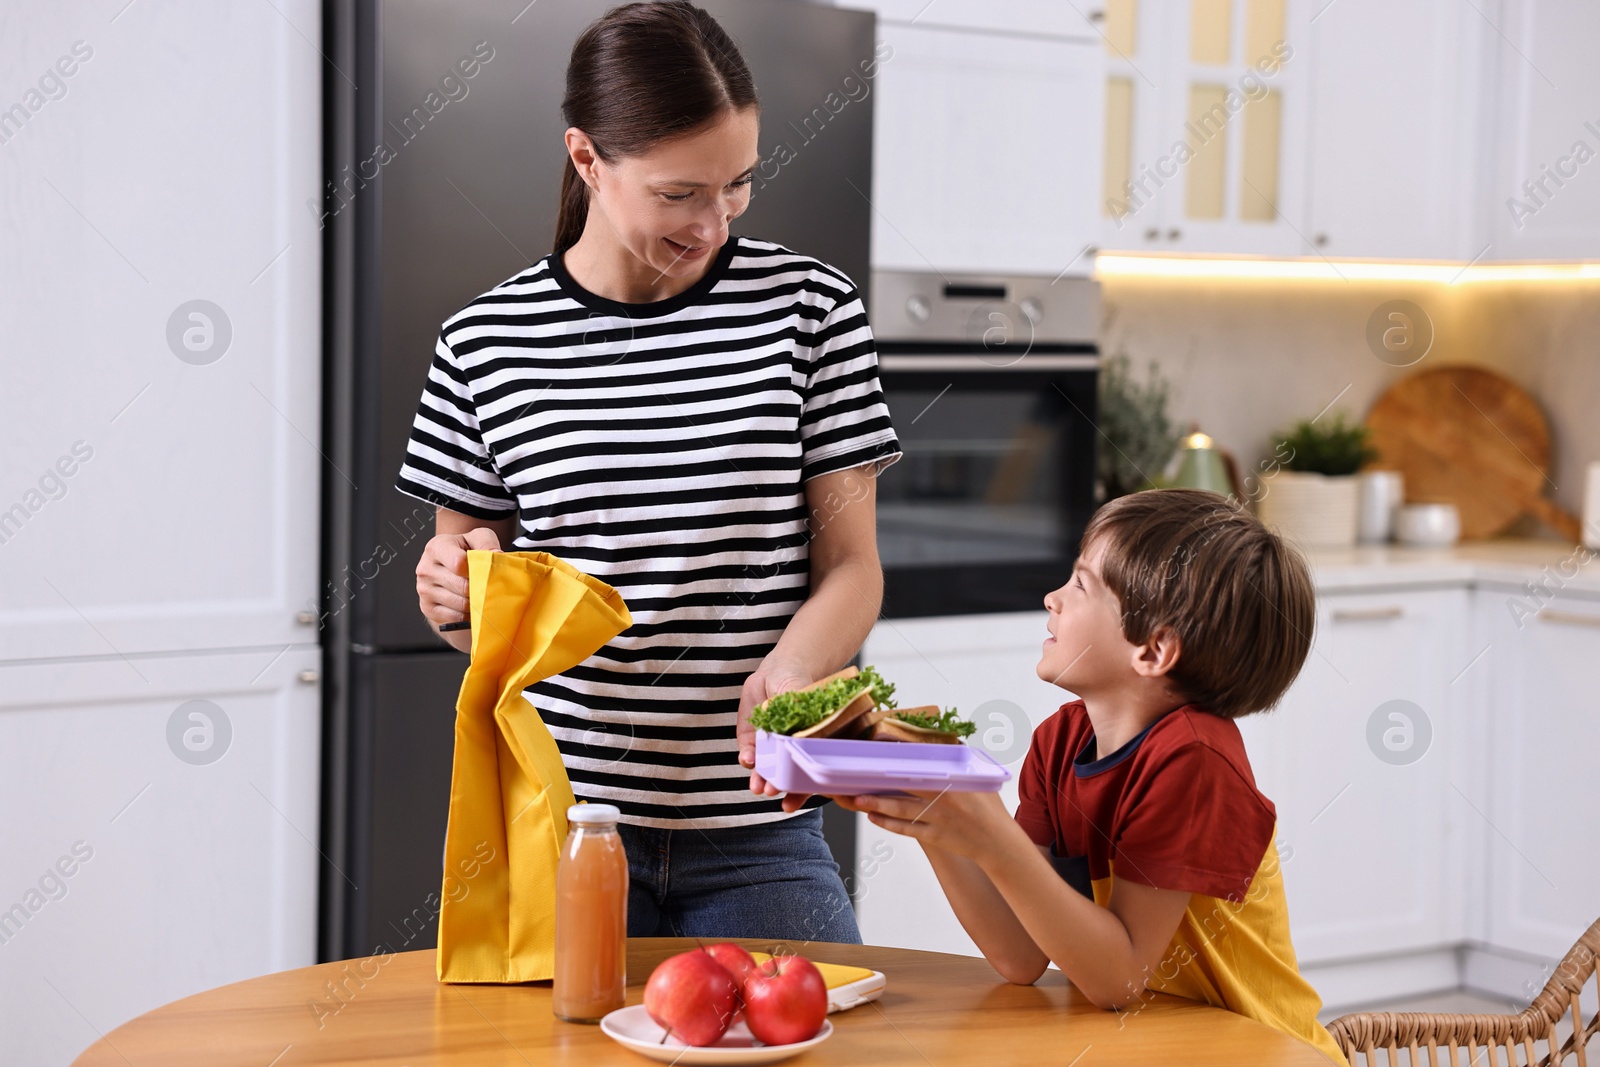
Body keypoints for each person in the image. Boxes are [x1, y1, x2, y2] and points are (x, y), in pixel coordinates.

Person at [397, 1, 900, 943]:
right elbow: (475, 608)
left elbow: (853, 567)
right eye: (681, 194)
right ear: (587, 160)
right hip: (567, 822)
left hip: (762, 827)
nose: (714, 223)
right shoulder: (483, 343)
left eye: (738, 186)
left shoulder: (812, 311)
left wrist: (791, 668)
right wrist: (451, 597)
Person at [833, 488, 1348, 1064]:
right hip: (1156, 1045)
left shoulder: (1195, 759)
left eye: (1081, 585)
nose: (1053, 598)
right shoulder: (1061, 742)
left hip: (1260, 1051)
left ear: (1153, 651)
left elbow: (1120, 978)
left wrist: (991, 832)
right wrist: (934, 806)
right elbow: (1020, 955)